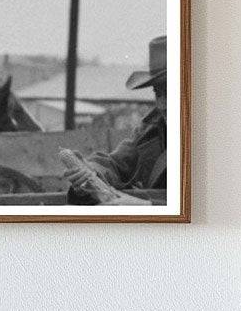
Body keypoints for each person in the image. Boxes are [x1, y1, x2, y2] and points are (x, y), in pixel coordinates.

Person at [62, 35, 167, 205]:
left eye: (170, 92)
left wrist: (147, 207)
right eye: (158, 93)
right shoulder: (152, 129)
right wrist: (90, 172)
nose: (162, 105)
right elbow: (115, 164)